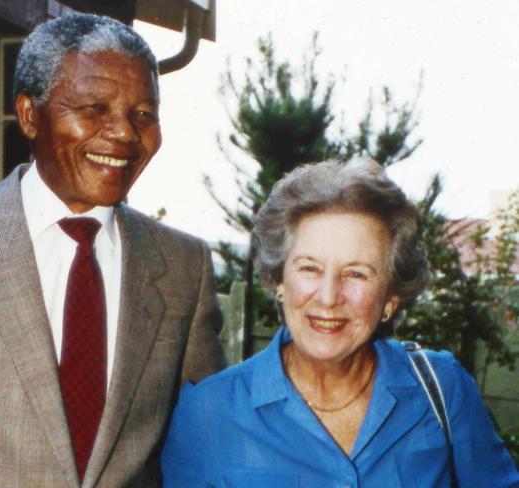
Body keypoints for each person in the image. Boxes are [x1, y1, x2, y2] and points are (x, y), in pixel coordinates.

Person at [0, 13, 225, 487]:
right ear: (30, 115)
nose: (123, 133)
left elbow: (210, 448)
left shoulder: (184, 267)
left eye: (143, 114)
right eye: (94, 108)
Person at [161, 158, 519, 487]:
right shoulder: (208, 411)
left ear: (390, 299)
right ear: (279, 281)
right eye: (310, 269)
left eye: (357, 274)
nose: (329, 296)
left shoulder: (443, 389)